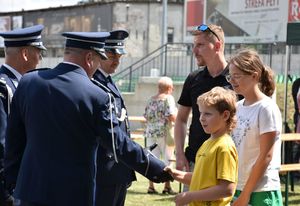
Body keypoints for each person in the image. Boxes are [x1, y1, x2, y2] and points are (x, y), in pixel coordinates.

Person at [4, 31, 173, 206]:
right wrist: (155, 167)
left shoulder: (28, 82)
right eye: (100, 59)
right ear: (90, 58)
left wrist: (12, 181)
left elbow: (14, 139)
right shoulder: (96, 95)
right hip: (73, 194)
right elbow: (118, 144)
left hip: (29, 191)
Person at [227, 48, 283, 206]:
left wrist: (246, 195)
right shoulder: (237, 107)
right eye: (230, 76)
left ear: (254, 75)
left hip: (262, 191)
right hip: (239, 186)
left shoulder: (266, 108)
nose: (232, 80)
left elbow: (266, 156)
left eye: (237, 76)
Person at [174, 24, 232, 176]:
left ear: (217, 46)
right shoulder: (194, 78)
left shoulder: (236, 79)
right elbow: (180, 119)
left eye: (200, 45)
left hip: (226, 163)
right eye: (194, 45)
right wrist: (179, 153)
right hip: (195, 162)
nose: (194, 51)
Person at [166, 87, 238, 206]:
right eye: (200, 113)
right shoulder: (207, 143)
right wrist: (174, 174)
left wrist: (190, 196)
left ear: (225, 115)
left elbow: (227, 189)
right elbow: (201, 178)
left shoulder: (224, 147)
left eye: (208, 114)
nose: (201, 118)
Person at [0, 25, 46, 206]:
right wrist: (6, 190)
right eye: (38, 52)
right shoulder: (4, 87)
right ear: (26, 53)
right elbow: (2, 142)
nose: (40, 58)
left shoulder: (21, 85)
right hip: (8, 185)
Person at [93, 29, 135, 206]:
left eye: (119, 56)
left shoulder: (108, 81)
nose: (117, 60)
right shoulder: (94, 83)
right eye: (112, 55)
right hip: (104, 169)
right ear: (100, 54)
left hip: (117, 167)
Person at [144, 76, 177, 195]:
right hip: (165, 132)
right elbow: (171, 116)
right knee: (168, 158)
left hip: (151, 132)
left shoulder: (150, 99)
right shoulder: (168, 98)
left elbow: (146, 116)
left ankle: (151, 186)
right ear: (169, 88)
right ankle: (166, 186)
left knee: (152, 158)